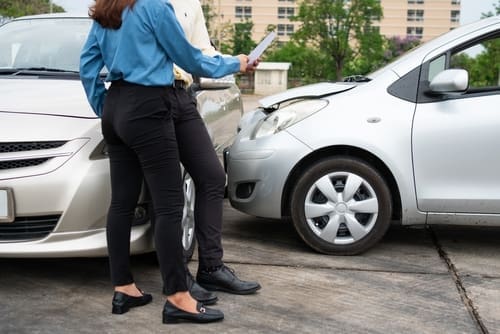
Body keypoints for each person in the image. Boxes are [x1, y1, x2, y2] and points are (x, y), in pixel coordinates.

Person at [79, 0, 255, 324]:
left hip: (116, 106)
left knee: (121, 202)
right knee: (170, 203)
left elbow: (87, 64)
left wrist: (105, 106)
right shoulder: (154, 7)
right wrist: (236, 63)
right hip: (148, 105)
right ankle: (177, 296)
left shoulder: (105, 9)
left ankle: (124, 288)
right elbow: (189, 58)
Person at [168, 0, 261, 305]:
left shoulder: (189, 3)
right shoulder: (135, 5)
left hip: (182, 96)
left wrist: (236, 60)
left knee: (211, 176)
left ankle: (211, 267)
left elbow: (201, 52)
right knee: (167, 194)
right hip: (146, 100)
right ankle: (178, 280)